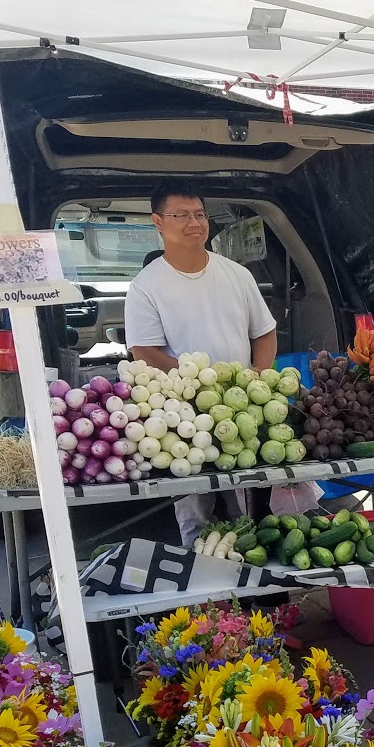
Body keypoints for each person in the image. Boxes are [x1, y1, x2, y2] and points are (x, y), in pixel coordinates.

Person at [125, 181, 277, 543]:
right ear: (158, 222)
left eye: (199, 214)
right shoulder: (146, 286)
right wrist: (202, 386)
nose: (194, 223)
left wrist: (258, 378)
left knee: (250, 504)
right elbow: (144, 351)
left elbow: (265, 333)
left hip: (243, 408)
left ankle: (263, 590)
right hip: (181, 415)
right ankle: (199, 580)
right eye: (181, 215)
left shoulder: (237, 275)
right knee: (194, 508)